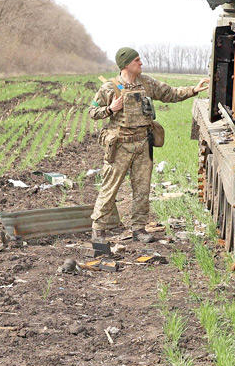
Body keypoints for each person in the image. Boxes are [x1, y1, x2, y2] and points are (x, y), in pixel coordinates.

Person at [88, 47, 209, 241]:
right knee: (110, 188)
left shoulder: (146, 83)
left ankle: (139, 229)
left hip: (143, 144)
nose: (141, 63)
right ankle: (98, 230)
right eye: (136, 60)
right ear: (126, 64)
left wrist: (193, 90)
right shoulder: (109, 87)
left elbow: (170, 93)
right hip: (120, 146)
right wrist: (110, 109)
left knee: (142, 189)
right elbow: (92, 112)